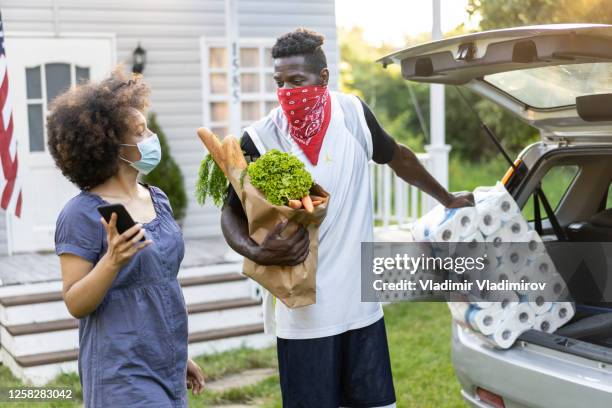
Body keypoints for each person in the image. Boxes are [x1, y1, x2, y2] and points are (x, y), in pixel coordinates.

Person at [221, 28, 475, 407]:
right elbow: (230, 212)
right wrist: (255, 252)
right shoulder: (259, 139)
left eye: (297, 81)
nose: (288, 91)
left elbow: (399, 156)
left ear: (323, 78)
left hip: (361, 311)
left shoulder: (352, 114)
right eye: (280, 82)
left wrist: (447, 196)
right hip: (305, 318)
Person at [48, 67, 204, 407]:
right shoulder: (81, 214)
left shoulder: (157, 198)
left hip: (166, 364)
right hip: (121, 373)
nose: (151, 136)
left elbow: (160, 282)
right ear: (108, 144)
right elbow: (75, 302)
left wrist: (180, 358)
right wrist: (112, 261)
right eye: (140, 131)